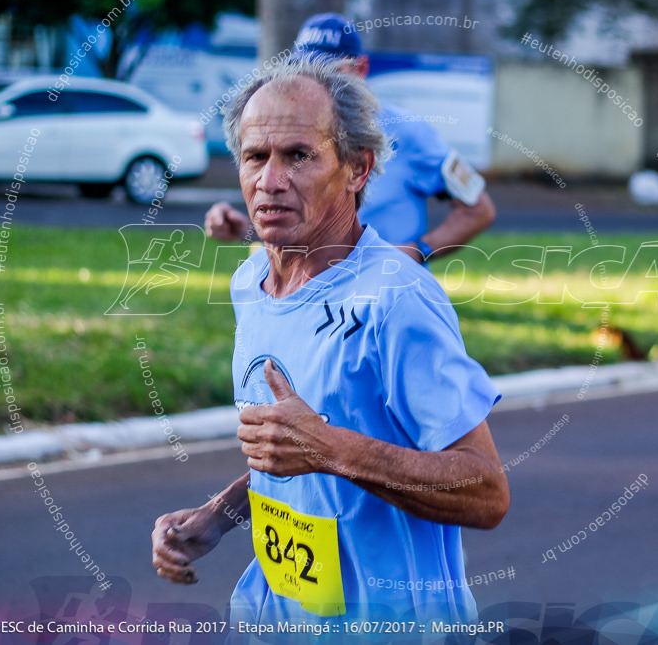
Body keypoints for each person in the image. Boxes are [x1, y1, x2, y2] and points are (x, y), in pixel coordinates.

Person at [151, 57, 509, 633]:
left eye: (298, 156)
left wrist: (334, 451)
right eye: (254, 157)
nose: (270, 181)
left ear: (358, 169)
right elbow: (299, 447)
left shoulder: (397, 297)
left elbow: (486, 492)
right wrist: (218, 516)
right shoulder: (250, 283)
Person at [205, 12, 495, 264]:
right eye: (304, 69)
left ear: (362, 69)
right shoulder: (294, 134)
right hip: (312, 296)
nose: (317, 82)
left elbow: (478, 209)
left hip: (388, 299)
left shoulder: (409, 133)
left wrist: (419, 251)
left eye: (332, 72)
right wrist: (244, 227)